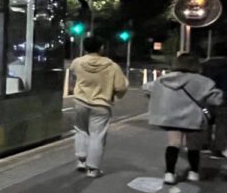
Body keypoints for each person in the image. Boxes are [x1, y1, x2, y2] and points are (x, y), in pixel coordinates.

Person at [144, 53, 223, 185]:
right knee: (193, 146)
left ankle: (169, 173)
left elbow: (146, 89)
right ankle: (193, 172)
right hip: (193, 117)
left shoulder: (164, 79)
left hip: (171, 117)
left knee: (173, 144)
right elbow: (216, 100)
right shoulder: (203, 81)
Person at [69, 36, 128, 178]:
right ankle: (93, 169)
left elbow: (72, 77)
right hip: (101, 104)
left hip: (81, 101)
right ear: (101, 47)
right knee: (97, 135)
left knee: (80, 130)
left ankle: (81, 160)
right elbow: (121, 86)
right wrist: (116, 94)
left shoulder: (77, 62)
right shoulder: (112, 66)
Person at [198, 50, 227, 158]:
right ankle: (219, 149)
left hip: (207, 97)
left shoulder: (205, 65)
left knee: (206, 121)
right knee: (222, 124)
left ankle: (203, 144)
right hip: (224, 98)